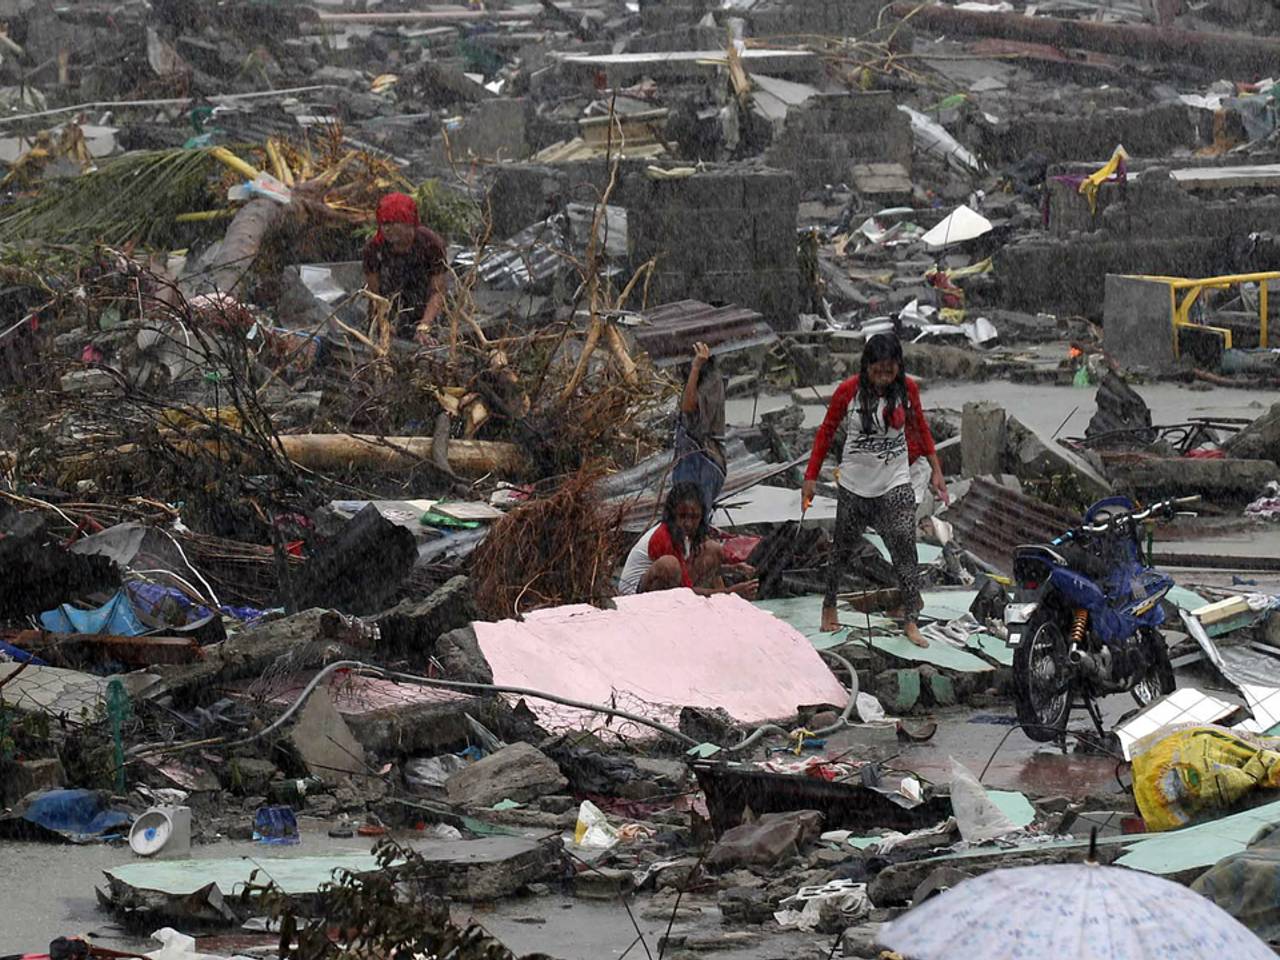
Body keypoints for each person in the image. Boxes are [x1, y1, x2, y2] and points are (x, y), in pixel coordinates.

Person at [802, 333, 945, 647]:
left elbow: (921, 427)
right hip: (855, 483)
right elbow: (825, 432)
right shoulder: (847, 391)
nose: (884, 375)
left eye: (890, 369)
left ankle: (911, 619)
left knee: (904, 543)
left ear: (898, 367)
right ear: (866, 366)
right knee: (842, 548)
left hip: (895, 479)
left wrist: (936, 470)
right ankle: (829, 604)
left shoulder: (907, 390)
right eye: (877, 368)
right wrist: (810, 477)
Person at [619, 482, 757, 599]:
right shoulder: (662, 536)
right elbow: (684, 589)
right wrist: (730, 593)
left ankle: (721, 609)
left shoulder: (687, 535)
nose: (688, 523)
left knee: (713, 550)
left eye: (694, 517)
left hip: (669, 585)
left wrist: (733, 569)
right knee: (669, 564)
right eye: (682, 516)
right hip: (634, 596)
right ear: (673, 515)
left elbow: (686, 575)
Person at [362, 192, 448, 343]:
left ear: (408, 223)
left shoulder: (430, 244)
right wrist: (383, 322)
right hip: (390, 308)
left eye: (393, 223)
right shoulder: (374, 248)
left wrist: (425, 326)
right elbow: (374, 295)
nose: (387, 229)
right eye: (384, 224)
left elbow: (438, 291)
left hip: (424, 307)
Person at [672, 341, 727, 516]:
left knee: (691, 518)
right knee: (682, 518)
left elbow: (689, 407)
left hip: (704, 461)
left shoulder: (712, 379)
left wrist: (696, 367)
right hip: (689, 459)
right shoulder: (690, 377)